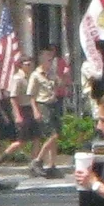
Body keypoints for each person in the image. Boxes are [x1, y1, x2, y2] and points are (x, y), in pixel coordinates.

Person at [27, 48, 68, 176]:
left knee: (56, 136)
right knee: (52, 135)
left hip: (53, 104)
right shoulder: (35, 75)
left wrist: (63, 75)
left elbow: (60, 84)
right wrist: (35, 111)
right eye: (49, 60)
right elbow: (31, 95)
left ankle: (52, 165)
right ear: (42, 60)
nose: (51, 62)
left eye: (51, 60)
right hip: (42, 105)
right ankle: (37, 160)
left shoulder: (51, 73)